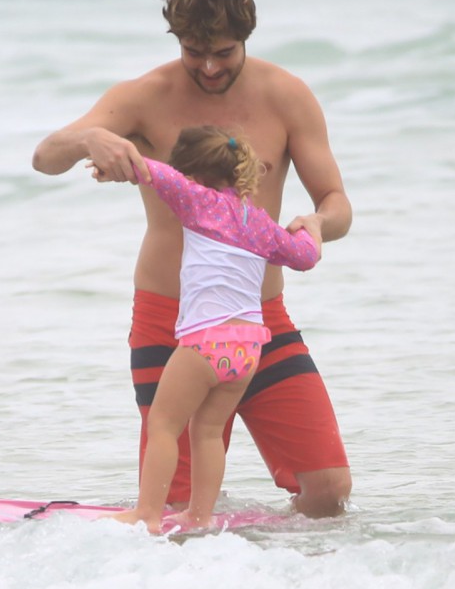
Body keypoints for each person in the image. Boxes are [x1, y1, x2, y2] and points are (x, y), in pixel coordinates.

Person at [32, 0, 352, 517]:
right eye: (192, 52)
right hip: (169, 320)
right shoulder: (143, 96)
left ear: (245, 36)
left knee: (327, 489)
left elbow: (338, 203)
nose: (206, 67)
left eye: (222, 53)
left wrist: (319, 224)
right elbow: (44, 157)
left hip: (259, 322)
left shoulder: (287, 95)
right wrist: (92, 139)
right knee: (173, 503)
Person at [93, 126, 320, 532]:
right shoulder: (262, 224)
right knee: (208, 432)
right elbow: (304, 258)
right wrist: (312, 228)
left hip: (204, 343)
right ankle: (199, 515)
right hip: (249, 349)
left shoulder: (196, 200)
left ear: (195, 175)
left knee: (163, 425)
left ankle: (147, 513)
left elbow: (153, 173)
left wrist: (116, 165)